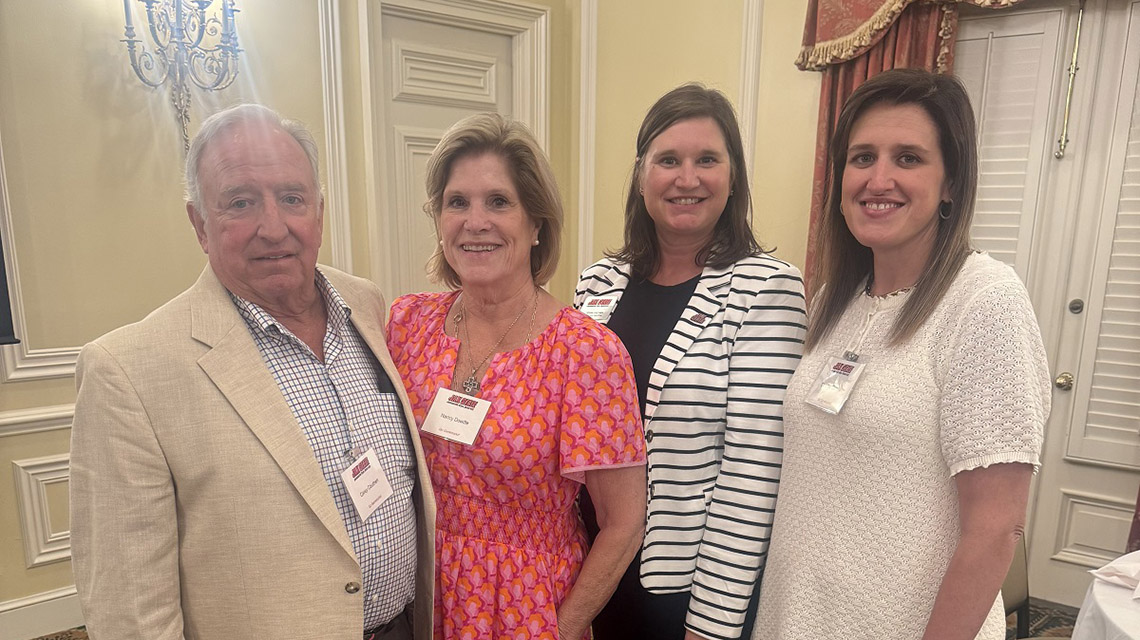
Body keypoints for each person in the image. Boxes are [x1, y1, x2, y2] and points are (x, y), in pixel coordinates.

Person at [69, 104, 435, 640]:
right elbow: (131, 613)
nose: (273, 226)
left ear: (319, 211)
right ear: (199, 224)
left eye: (292, 199)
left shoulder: (367, 305)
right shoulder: (127, 372)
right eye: (240, 202)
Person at [752, 69, 1051, 640]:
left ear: (950, 184)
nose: (878, 178)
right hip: (800, 614)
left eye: (908, 158)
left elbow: (996, 528)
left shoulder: (983, 300)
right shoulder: (832, 302)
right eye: (862, 157)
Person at [385, 113, 647, 640]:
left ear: (536, 224)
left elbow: (623, 524)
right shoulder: (406, 323)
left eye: (498, 202)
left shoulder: (585, 353)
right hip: (417, 596)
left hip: (525, 607)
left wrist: (563, 627)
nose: (474, 221)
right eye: (457, 202)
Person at [574, 83, 807, 640]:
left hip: (681, 586)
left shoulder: (767, 289)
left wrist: (712, 624)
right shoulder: (597, 283)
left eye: (707, 160)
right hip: (587, 566)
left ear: (733, 177)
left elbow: (752, 473)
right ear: (641, 174)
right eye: (668, 160)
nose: (687, 179)